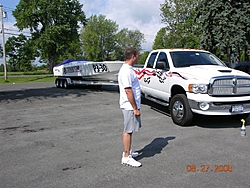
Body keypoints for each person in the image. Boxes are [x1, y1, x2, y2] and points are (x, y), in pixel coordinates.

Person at [118, 48, 142, 167]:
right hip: (129, 106)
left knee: (128, 129)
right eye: (138, 55)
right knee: (128, 131)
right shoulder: (126, 71)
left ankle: (128, 152)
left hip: (130, 106)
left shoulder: (128, 69)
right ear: (133, 56)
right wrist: (135, 108)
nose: (138, 58)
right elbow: (128, 90)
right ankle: (126, 157)